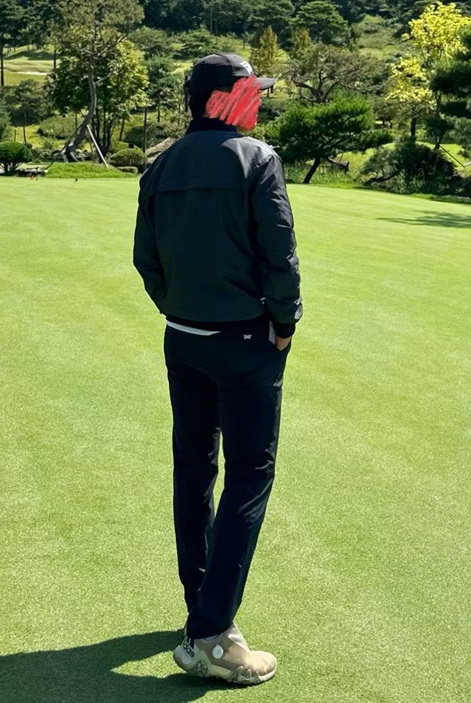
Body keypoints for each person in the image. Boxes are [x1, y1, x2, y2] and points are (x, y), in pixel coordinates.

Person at [133, 53, 302, 686]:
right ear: (223, 99)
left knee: (194, 468)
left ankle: (200, 609)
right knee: (249, 476)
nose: (258, 101)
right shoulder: (257, 160)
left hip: (184, 339)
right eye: (251, 92)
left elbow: (146, 260)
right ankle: (211, 635)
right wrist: (284, 322)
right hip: (245, 342)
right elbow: (279, 253)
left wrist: (178, 308)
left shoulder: (161, 165)